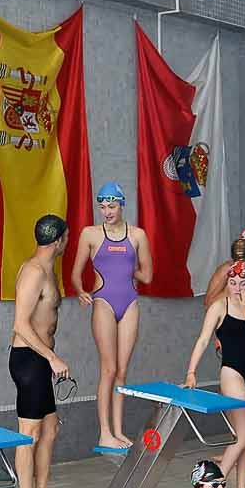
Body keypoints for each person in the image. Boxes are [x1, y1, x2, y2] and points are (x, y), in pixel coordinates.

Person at [70, 182, 154, 451]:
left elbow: (148, 276)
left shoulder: (138, 235)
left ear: (122, 204)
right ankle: (104, 432)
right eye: (102, 207)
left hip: (129, 302)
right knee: (107, 369)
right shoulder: (90, 234)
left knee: (121, 371)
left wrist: (127, 269)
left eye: (112, 206)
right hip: (103, 301)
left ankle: (118, 431)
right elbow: (74, 273)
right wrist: (81, 291)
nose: (106, 211)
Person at [184, 258, 245, 488]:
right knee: (244, 436)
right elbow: (202, 340)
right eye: (233, 283)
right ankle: (213, 484)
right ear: (227, 283)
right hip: (232, 372)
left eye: (242, 283)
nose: (237, 288)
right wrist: (191, 372)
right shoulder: (219, 307)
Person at [11, 215, 73, 488]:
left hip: (39, 359)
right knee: (29, 434)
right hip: (28, 360)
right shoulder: (34, 272)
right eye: (66, 238)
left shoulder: (46, 270)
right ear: (59, 240)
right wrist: (52, 357)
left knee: (50, 429)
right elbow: (20, 324)